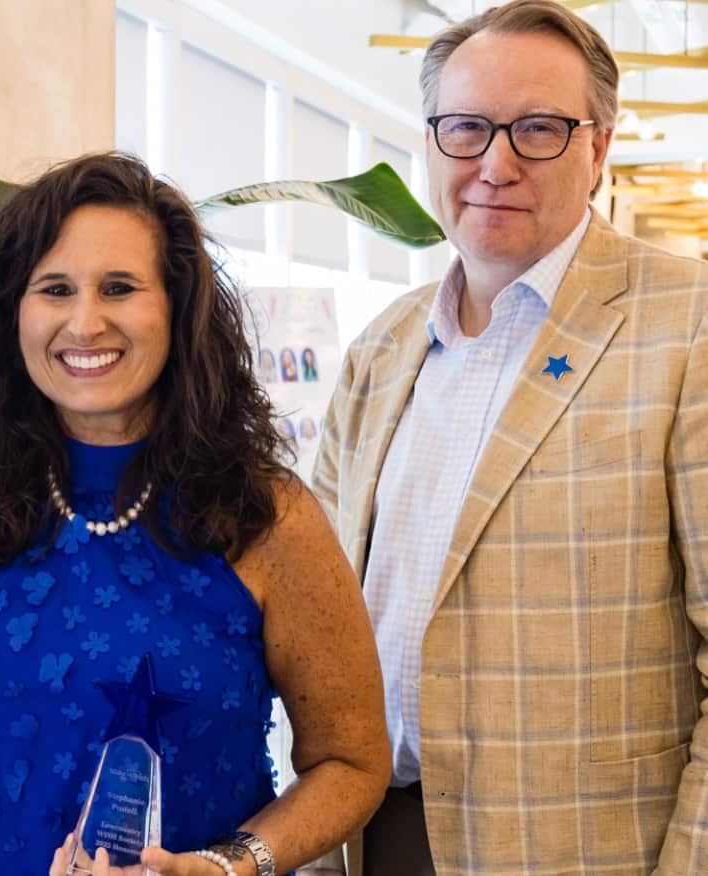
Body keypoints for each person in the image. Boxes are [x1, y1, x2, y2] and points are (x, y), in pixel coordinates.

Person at [313, 2, 708, 872]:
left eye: (538, 129)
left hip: (591, 852)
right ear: (431, 143)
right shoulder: (381, 350)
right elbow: (322, 616)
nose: (496, 164)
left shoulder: (689, 328)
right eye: (466, 128)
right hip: (375, 836)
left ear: (598, 149)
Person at [0, 152, 389, 876]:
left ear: (177, 307)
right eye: (55, 289)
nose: (85, 322)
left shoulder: (266, 516)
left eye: (120, 288)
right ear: (13, 314)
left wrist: (232, 865)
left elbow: (351, 763)